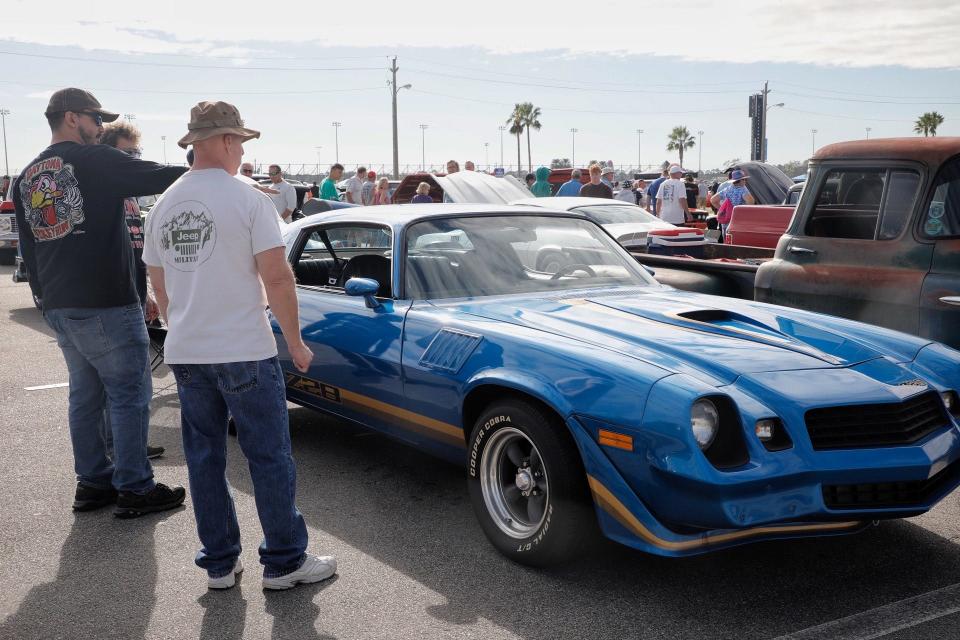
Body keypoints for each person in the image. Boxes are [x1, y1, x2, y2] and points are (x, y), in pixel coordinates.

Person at [143, 100, 336, 591]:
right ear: (227, 141)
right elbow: (277, 276)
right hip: (243, 346)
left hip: (188, 351)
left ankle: (220, 564)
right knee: (268, 454)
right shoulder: (249, 199)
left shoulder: (163, 205)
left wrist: (182, 324)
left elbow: (159, 286)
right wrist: (294, 341)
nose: (242, 152)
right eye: (241, 143)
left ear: (193, 144)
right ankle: (285, 561)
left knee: (205, 458)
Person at [13, 87, 186, 516]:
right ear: (72, 118)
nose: (100, 127)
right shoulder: (93, 160)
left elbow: (29, 246)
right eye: (96, 118)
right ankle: (135, 486)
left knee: (85, 396)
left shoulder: (27, 174)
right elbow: (161, 175)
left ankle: (93, 482)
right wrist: (206, 160)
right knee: (129, 394)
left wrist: (44, 298)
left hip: (59, 303)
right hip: (105, 301)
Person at [99, 121, 166, 461]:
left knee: (139, 383)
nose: (135, 161)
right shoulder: (105, 196)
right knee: (124, 386)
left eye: (138, 154)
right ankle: (119, 453)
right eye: (129, 154)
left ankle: (132, 444)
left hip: (136, 297)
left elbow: (137, 251)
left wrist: (149, 294)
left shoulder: (130, 200)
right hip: (115, 306)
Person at [710, 168, 754, 237]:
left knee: (726, 241)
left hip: (726, 220)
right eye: (744, 179)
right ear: (740, 180)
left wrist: (723, 209)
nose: (745, 181)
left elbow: (713, 200)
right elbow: (751, 202)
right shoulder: (743, 189)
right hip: (737, 221)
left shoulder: (727, 189)